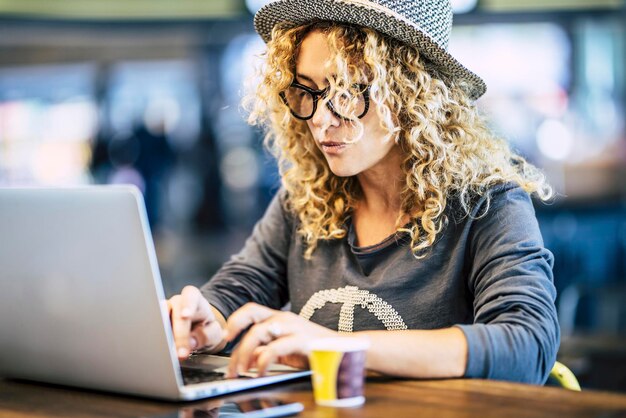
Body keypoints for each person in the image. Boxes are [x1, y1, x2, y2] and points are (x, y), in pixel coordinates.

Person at [168, 0, 559, 384]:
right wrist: (210, 319)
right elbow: (244, 284)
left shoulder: (489, 204)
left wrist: (340, 348)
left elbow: (528, 344)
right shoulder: (306, 198)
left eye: (347, 91)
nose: (321, 119)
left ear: (412, 93)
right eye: (307, 91)